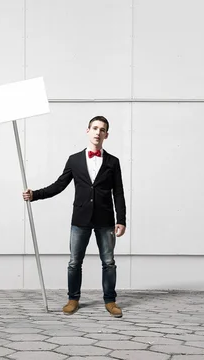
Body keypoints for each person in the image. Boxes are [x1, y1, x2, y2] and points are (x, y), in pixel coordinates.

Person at [22, 115, 126, 317]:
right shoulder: (74, 160)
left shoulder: (113, 162)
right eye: (94, 128)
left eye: (102, 129)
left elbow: (119, 193)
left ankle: (110, 301)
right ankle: (73, 299)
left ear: (106, 134)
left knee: (109, 262)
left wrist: (121, 219)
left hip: (105, 220)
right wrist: (34, 195)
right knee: (74, 262)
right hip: (80, 219)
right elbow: (59, 185)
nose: (98, 132)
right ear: (87, 131)